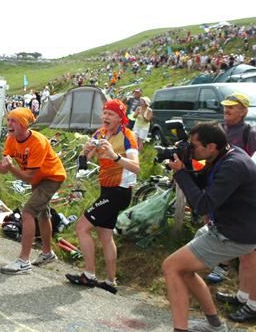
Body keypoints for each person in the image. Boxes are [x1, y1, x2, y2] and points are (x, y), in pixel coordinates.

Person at [162, 122, 256, 332]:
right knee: (184, 270)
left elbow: (202, 204)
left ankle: (180, 329)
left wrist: (180, 174)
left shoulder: (233, 165)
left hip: (234, 235)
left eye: (193, 146)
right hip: (228, 228)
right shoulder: (225, 155)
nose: (191, 149)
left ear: (211, 146)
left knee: (171, 266)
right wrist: (185, 164)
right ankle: (214, 325)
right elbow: (202, 182)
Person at [65, 99, 139, 293]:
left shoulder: (127, 136)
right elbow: (84, 161)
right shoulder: (100, 133)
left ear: (120, 118)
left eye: (111, 114)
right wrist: (85, 151)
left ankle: (89, 276)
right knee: (105, 235)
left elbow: (136, 167)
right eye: (104, 112)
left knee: (82, 227)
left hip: (120, 191)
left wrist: (114, 155)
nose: (106, 117)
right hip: (107, 189)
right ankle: (110, 281)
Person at [0, 107, 66, 275]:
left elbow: (29, 177)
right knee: (43, 214)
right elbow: (3, 169)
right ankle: (47, 254)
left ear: (23, 124)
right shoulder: (11, 139)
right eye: (8, 119)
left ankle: (24, 261)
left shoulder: (38, 141)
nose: (9, 123)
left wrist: (12, 168)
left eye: (13, 120)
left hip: (52, 177)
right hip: (39, 179)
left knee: (28, 212)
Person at [207, 93, 256, 323]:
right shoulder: (223, 131)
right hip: (233, 199)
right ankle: (243, 296)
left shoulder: (251, 133)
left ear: (243, 111)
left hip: (247, 200)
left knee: (252, 255)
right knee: (247, 255)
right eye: (225, 107)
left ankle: (253, 305)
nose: (226, 111)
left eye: (232, 107)